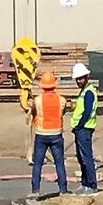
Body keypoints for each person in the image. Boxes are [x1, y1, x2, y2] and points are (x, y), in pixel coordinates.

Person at [29, 66, 67, 197]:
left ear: (42, 86)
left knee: (38, 164)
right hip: (56, 134)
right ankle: (63, 190)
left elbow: (33, 112)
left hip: (41, 134)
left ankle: (35, 190)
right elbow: (63, 112)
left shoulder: (37, 100)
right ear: (54, 85)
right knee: (59, 163)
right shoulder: (62, 100)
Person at [68, 61, 100, 193]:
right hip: (80, 129)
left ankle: (91, 185)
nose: (79, 81)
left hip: (84, 129)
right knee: (81, 157)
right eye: (77, 79)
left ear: (86, 77)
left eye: (81, 78)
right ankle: (85, 183)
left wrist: (80, 125)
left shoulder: (89, 92)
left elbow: (87, 111)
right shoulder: (83, 92)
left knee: (86, 157)